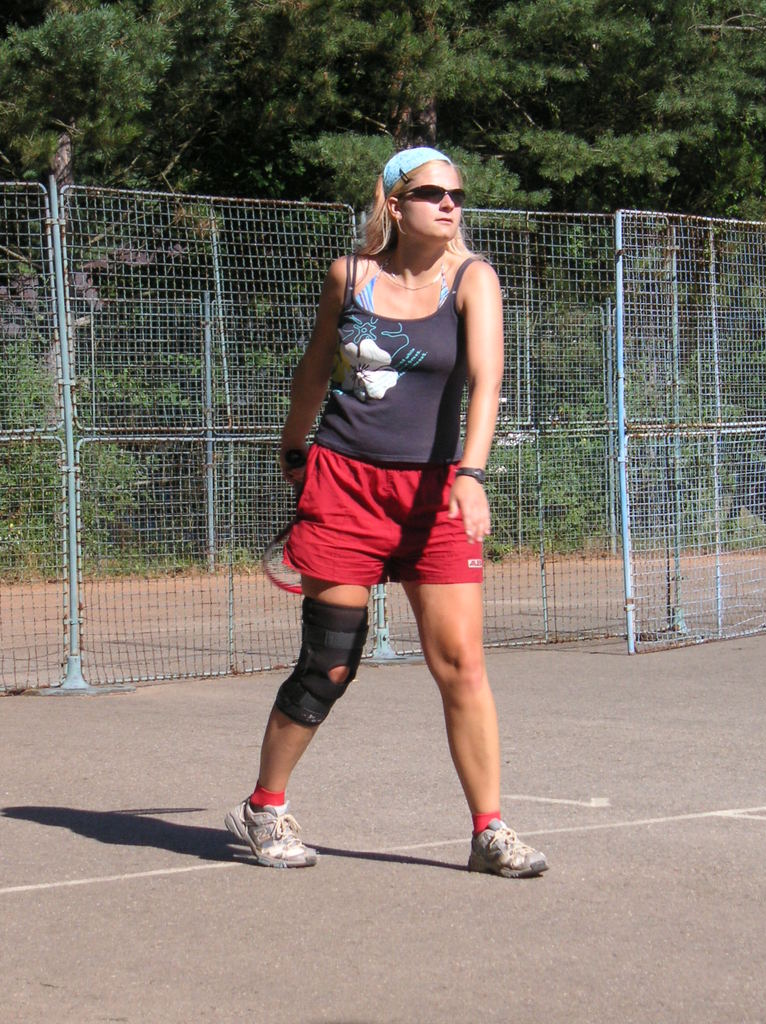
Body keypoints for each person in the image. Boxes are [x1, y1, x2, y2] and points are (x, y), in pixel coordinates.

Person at [225, 146, 548, 879]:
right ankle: (264, 807)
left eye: (456, 194)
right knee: (329, 663)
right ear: (395, 205)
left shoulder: (474, 279)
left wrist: (472, 474)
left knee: (462, 663)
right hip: (344, 486)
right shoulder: (349, 276)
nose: (449, 204)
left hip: (436, 495)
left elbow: (488, 381)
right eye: (432, 193)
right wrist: (293, 445)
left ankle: (489, 831)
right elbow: (316, 367)